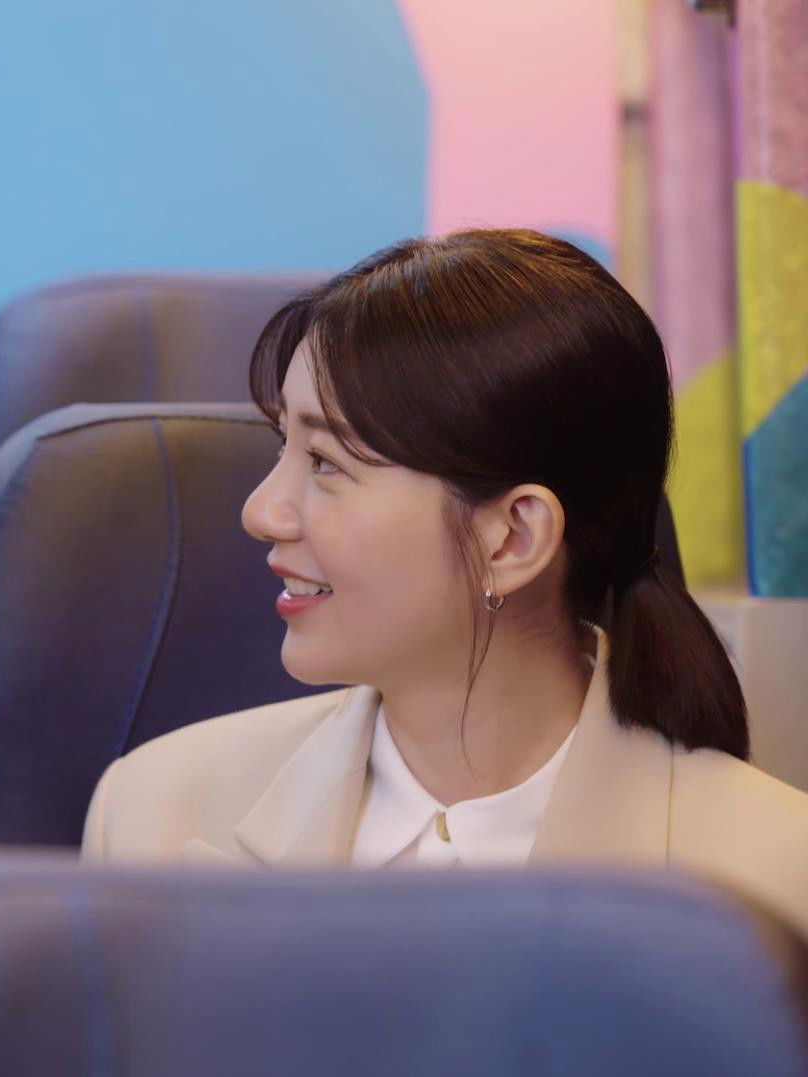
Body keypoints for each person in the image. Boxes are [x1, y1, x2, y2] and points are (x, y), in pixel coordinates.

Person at [82, 229, 808, 929]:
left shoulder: (776, 879)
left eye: (326, 462)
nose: (261, 512)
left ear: (514, 537)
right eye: (284, 448)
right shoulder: (153, 813)